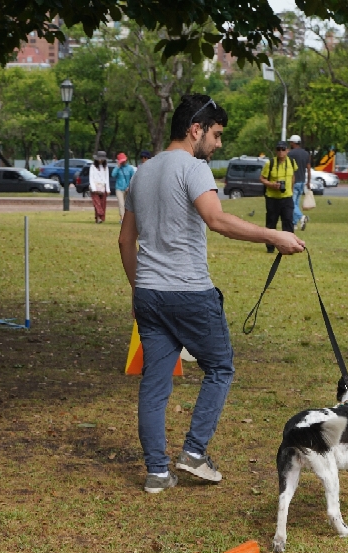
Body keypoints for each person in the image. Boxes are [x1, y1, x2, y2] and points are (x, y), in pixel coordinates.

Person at [119, 93, 305, 494]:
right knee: (220, 367)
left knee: (154, 383)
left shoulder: (141, 172)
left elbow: (124, 242)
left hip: (149, 293)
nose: (218, 144)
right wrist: (275, 235)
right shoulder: (194, 167)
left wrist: (142, 291)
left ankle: (157, 473)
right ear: (195, 130)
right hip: (189, 293)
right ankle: (194, 453)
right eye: (216, 135)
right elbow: (217, 219)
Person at [259, 140, 298, 253]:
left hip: (287, 197)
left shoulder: (291, 162)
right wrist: (272, 184)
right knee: (271, 222)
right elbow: (262, 178)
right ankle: (270, 247)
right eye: (278, 149)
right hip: (272, 198)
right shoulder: (270, 163)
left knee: (288, 221)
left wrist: (291, 188)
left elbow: (293, 176)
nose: (281, 152)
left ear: (287, 151)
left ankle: (289, 246)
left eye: (283, 149)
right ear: (276, 151)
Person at [288, 134, 311, 230]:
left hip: (294, 181)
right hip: (302, 181)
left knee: (291, 204)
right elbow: (309, 169)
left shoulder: (290, 154)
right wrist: (308, 182)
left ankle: (301, 217)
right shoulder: (306, 154)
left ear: (293, 143)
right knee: (296, 203)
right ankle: (294, 224)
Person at [89, 150, 111, 222]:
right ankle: (99, 215)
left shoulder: (105, 167)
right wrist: (93, 188)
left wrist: (107, 189)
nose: (101, 160)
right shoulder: (92, 167)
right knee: (97, 203)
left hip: (103, 187)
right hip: (95, 187)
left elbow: (106, 178)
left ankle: (98, 218)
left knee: (102, 203)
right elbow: (91, 178)